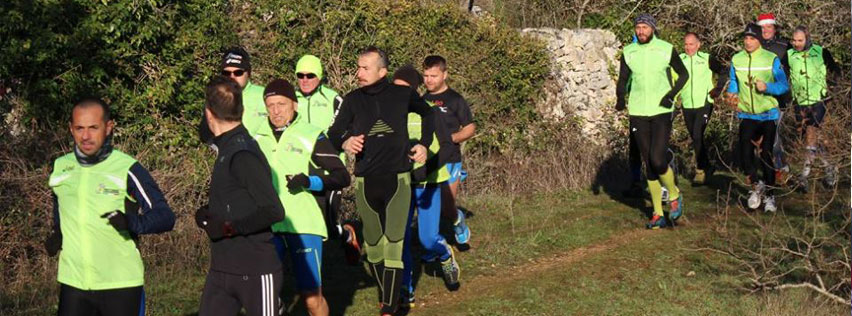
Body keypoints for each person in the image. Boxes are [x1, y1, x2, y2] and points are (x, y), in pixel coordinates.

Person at [326, 46, 435, 316]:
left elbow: (428, 114)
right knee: (374, 249)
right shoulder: (351, 100)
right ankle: (390, 294)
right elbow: (333, 133)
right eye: (358, 67)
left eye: (365, 68)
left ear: (382, 71)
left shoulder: (402, 94)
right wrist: (345, 141)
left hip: (398, 180)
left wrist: (423, 144)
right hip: (365, 182)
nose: (358, 73)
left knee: (395, 244)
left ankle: (388, 307)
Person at [46, 97, 175, 315]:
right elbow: (61, 207)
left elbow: (165, 217)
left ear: (108, 127)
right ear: (71, 129)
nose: (85, 136)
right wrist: (57, 233)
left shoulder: (127, 167)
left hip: (120, 284)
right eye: (79, 128)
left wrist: (131, 222)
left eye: (93, 128)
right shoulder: (60, 167)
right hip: (73, 284)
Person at [253, 79, 351, 316]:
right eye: (271, 105)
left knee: (310, 297)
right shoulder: (254, 136)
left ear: (294, 105)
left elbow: (341, 177)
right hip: (268, 224)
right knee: (260, 293)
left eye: (282, 104)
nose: (276, 111)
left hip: (303, 224)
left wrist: (309, 181)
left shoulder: (311, 134)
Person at [195, 76, 286, 316]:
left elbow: (273, 210)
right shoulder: (227, 147)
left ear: (208, 113)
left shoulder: (242, 153)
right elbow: (237, 199)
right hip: (222, 270)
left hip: (256, 270)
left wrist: (227, 228)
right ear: (242, 110)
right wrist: (210, 214)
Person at [393, 65, 461, 309]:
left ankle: (445, 254)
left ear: (414, 90)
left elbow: (446, 147)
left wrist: (427, 166)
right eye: (395, 88)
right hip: (403, 183)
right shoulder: (389, 116)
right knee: (400, 238)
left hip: (429, 181)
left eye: (405, 89)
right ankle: (406, 290)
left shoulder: (430, 111)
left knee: (427, 238)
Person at [615, 13, 688, 229]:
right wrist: (620, 98)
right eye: (638, 27)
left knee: (657, 159)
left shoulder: (666, 48)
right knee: (649, 164)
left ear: (653, 29)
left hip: (661, 110)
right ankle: (658, 214)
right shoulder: (629, 52)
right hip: (638, 111)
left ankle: (673, 195)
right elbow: (623, 79)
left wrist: (670, 96)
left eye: (645, 27)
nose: (641, 31)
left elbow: (683, 75)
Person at [293, 54, 360, 264]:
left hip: (332, 171)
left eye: (310, 75)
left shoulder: (334, 99)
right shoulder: (290, 101)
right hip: (303, 171)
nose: (304, 80)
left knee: (328, 225)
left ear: (319, 76)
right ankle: (310, 269)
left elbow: (348, 128)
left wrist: (346, 142)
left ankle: (347, 234)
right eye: (300, 75)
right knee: (305, 222)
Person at [725, 23, 790, 213]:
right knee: (745, 153)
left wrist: (767, 87)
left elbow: (783, 85)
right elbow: (734, 82)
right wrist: (732, 94)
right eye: (745, 38)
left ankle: (770, 197)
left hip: (768, 114)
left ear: (759, 40)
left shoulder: (771, 59)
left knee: (766, 155)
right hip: (747, 113)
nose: (748, 42)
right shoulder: (737, 59)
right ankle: (756, 186)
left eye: (752, 38)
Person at [422, 55, 473, 246]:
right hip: (430, 159)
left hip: (450, 158)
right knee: (428, 205)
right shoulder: (422, 100)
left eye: (433, 76)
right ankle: (431, 246)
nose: (429, 80)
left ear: (445, 75)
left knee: (447, 207)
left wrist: (450, 139)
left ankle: (458, 221)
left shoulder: (455, 99)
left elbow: (469, 128)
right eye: (426, 75)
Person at [787, 26, 841, 189]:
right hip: (800, 101)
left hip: (819, 99)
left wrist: (831, 90)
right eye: (794, 40)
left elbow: (836, 71)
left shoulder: (821, 52)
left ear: (807, 38)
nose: (796, 44)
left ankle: (804, 175)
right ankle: (829, 168)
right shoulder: (789, 55)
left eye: (800, 41)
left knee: (811, 132)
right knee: (811, 137)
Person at [679, 32, 727, 185]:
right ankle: (708, 166)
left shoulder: (706, 59)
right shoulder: (680, 60)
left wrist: (717, 89)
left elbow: (724, 71)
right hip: (687, 104)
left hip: (704, 103)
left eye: (691, 44)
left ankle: (700, 170)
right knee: (695, 137)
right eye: (686, 44)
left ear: (698, 45)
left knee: (697, 135)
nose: (688, 47)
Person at [199, 47, 267, 143]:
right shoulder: (217, 97)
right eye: (226, 73)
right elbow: (205, 134)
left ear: (249, 73)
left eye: (238, 73)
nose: (232, 77)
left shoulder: (265, 95)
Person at [757, 13, 792, 184]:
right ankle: (780, 166)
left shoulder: (785, 45)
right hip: (760, 97)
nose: (765, 31)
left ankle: (779, 168)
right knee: (765, 135)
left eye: (768, 27)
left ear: (774, 28)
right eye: (762, 28)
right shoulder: (755, 46)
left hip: (780, 96)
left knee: (775, 134)